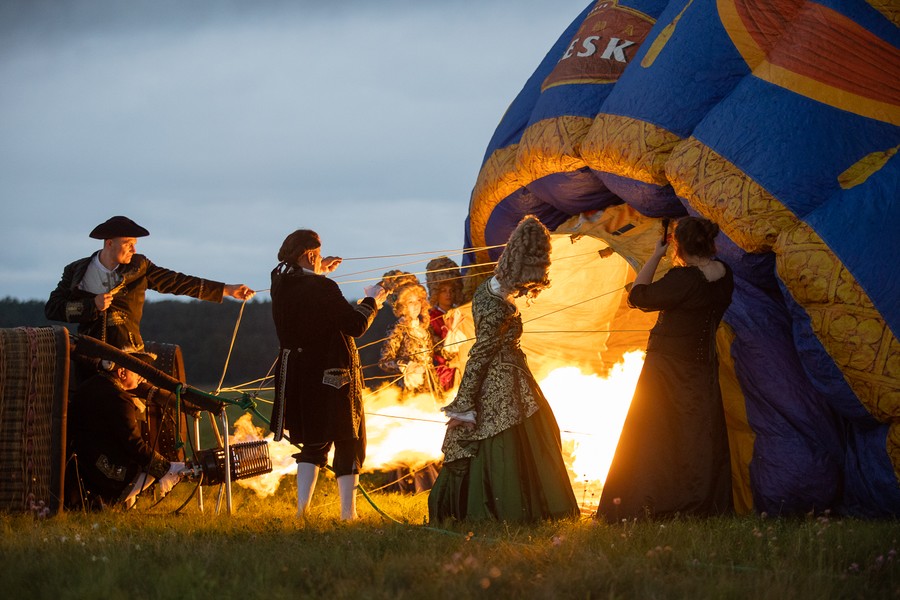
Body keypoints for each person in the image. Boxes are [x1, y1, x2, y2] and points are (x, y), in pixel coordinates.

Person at [428, 216, 579, 522]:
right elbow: (480, 354)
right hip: (504, 386)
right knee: (511, 445)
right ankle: (509, 512)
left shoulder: (491, 289)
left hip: (514, 380)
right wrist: (464, 405)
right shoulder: (495, 305)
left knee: (532, 436)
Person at [596, 216, 734, 522]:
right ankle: (697, 502)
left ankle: (650, 501)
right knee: (697, 435)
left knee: (655, 435)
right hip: (702, 367)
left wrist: (656, 255)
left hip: (668, 369)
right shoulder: (725, 274)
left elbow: (638, 296)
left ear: (679, 246)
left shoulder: (683, 279)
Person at [269, 229, 386, 520]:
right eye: (318, 255)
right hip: (333, 378)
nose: (321, 259)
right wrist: (372, 301)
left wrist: (319, 269)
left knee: (313, 444)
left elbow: (306, 288)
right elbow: (355, 325)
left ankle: (302, 513)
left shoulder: (280, 281)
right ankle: (349, 514)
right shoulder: (324, 287)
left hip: (300, 377)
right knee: (348, 442)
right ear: (309, 255)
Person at [45, 215, 255, 354]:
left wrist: (226, 289)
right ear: (109, 243)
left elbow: (178, 282)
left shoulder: (139, 267)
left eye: (135, 244)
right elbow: (53, 308)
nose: (134, 250)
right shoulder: (76, 271)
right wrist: (91, 306)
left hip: (130, 354)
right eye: (128, 244)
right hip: (89, 354)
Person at [66, 351, 184, 510]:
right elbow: (133, 443)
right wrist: (167, 467)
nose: (142, 378)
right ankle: (106, 503)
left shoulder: (94, 384)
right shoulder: (119, 398)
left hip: (78, 458)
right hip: (93, 464)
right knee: (150, 469)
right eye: (137, 372)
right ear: (122, 372)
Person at [379, 277, 442, 399]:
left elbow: (443, 352)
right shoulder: (398, 328)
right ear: (403, 306)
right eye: (410, 302)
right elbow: (384, 362)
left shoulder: (424, 328)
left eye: (418, 301)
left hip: (431, 384)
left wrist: (453, 330)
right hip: (410, 387)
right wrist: (407, 365)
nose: (416, 306)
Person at [425, 256, 464, 391]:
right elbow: (435, 346)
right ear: (436, 292)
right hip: (442, 373)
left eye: (451, 291)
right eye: (444, 291)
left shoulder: (461, 314)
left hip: (463, 369)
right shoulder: (430, 317)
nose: (448, 294)